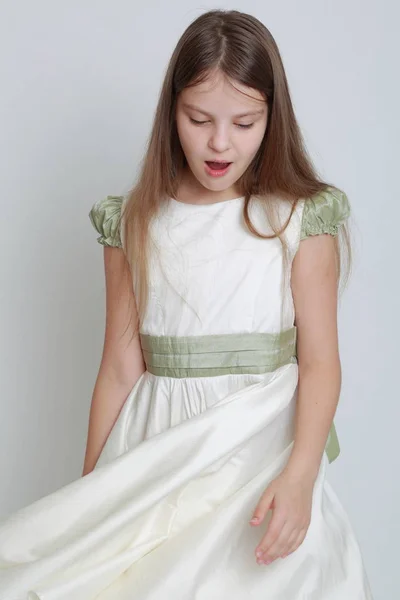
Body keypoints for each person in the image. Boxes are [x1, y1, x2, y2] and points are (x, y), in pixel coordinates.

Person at [0, 8, 373, 599]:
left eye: (245, 122)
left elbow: (321, 361)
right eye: (199, 119)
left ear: (272, 119)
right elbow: (120, 368)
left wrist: (300, 477)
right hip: (157, 451)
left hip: (261, 455)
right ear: (171, 112)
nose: (220, 142)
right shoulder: (134, 223)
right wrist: (92, 490)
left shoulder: (299, 218)